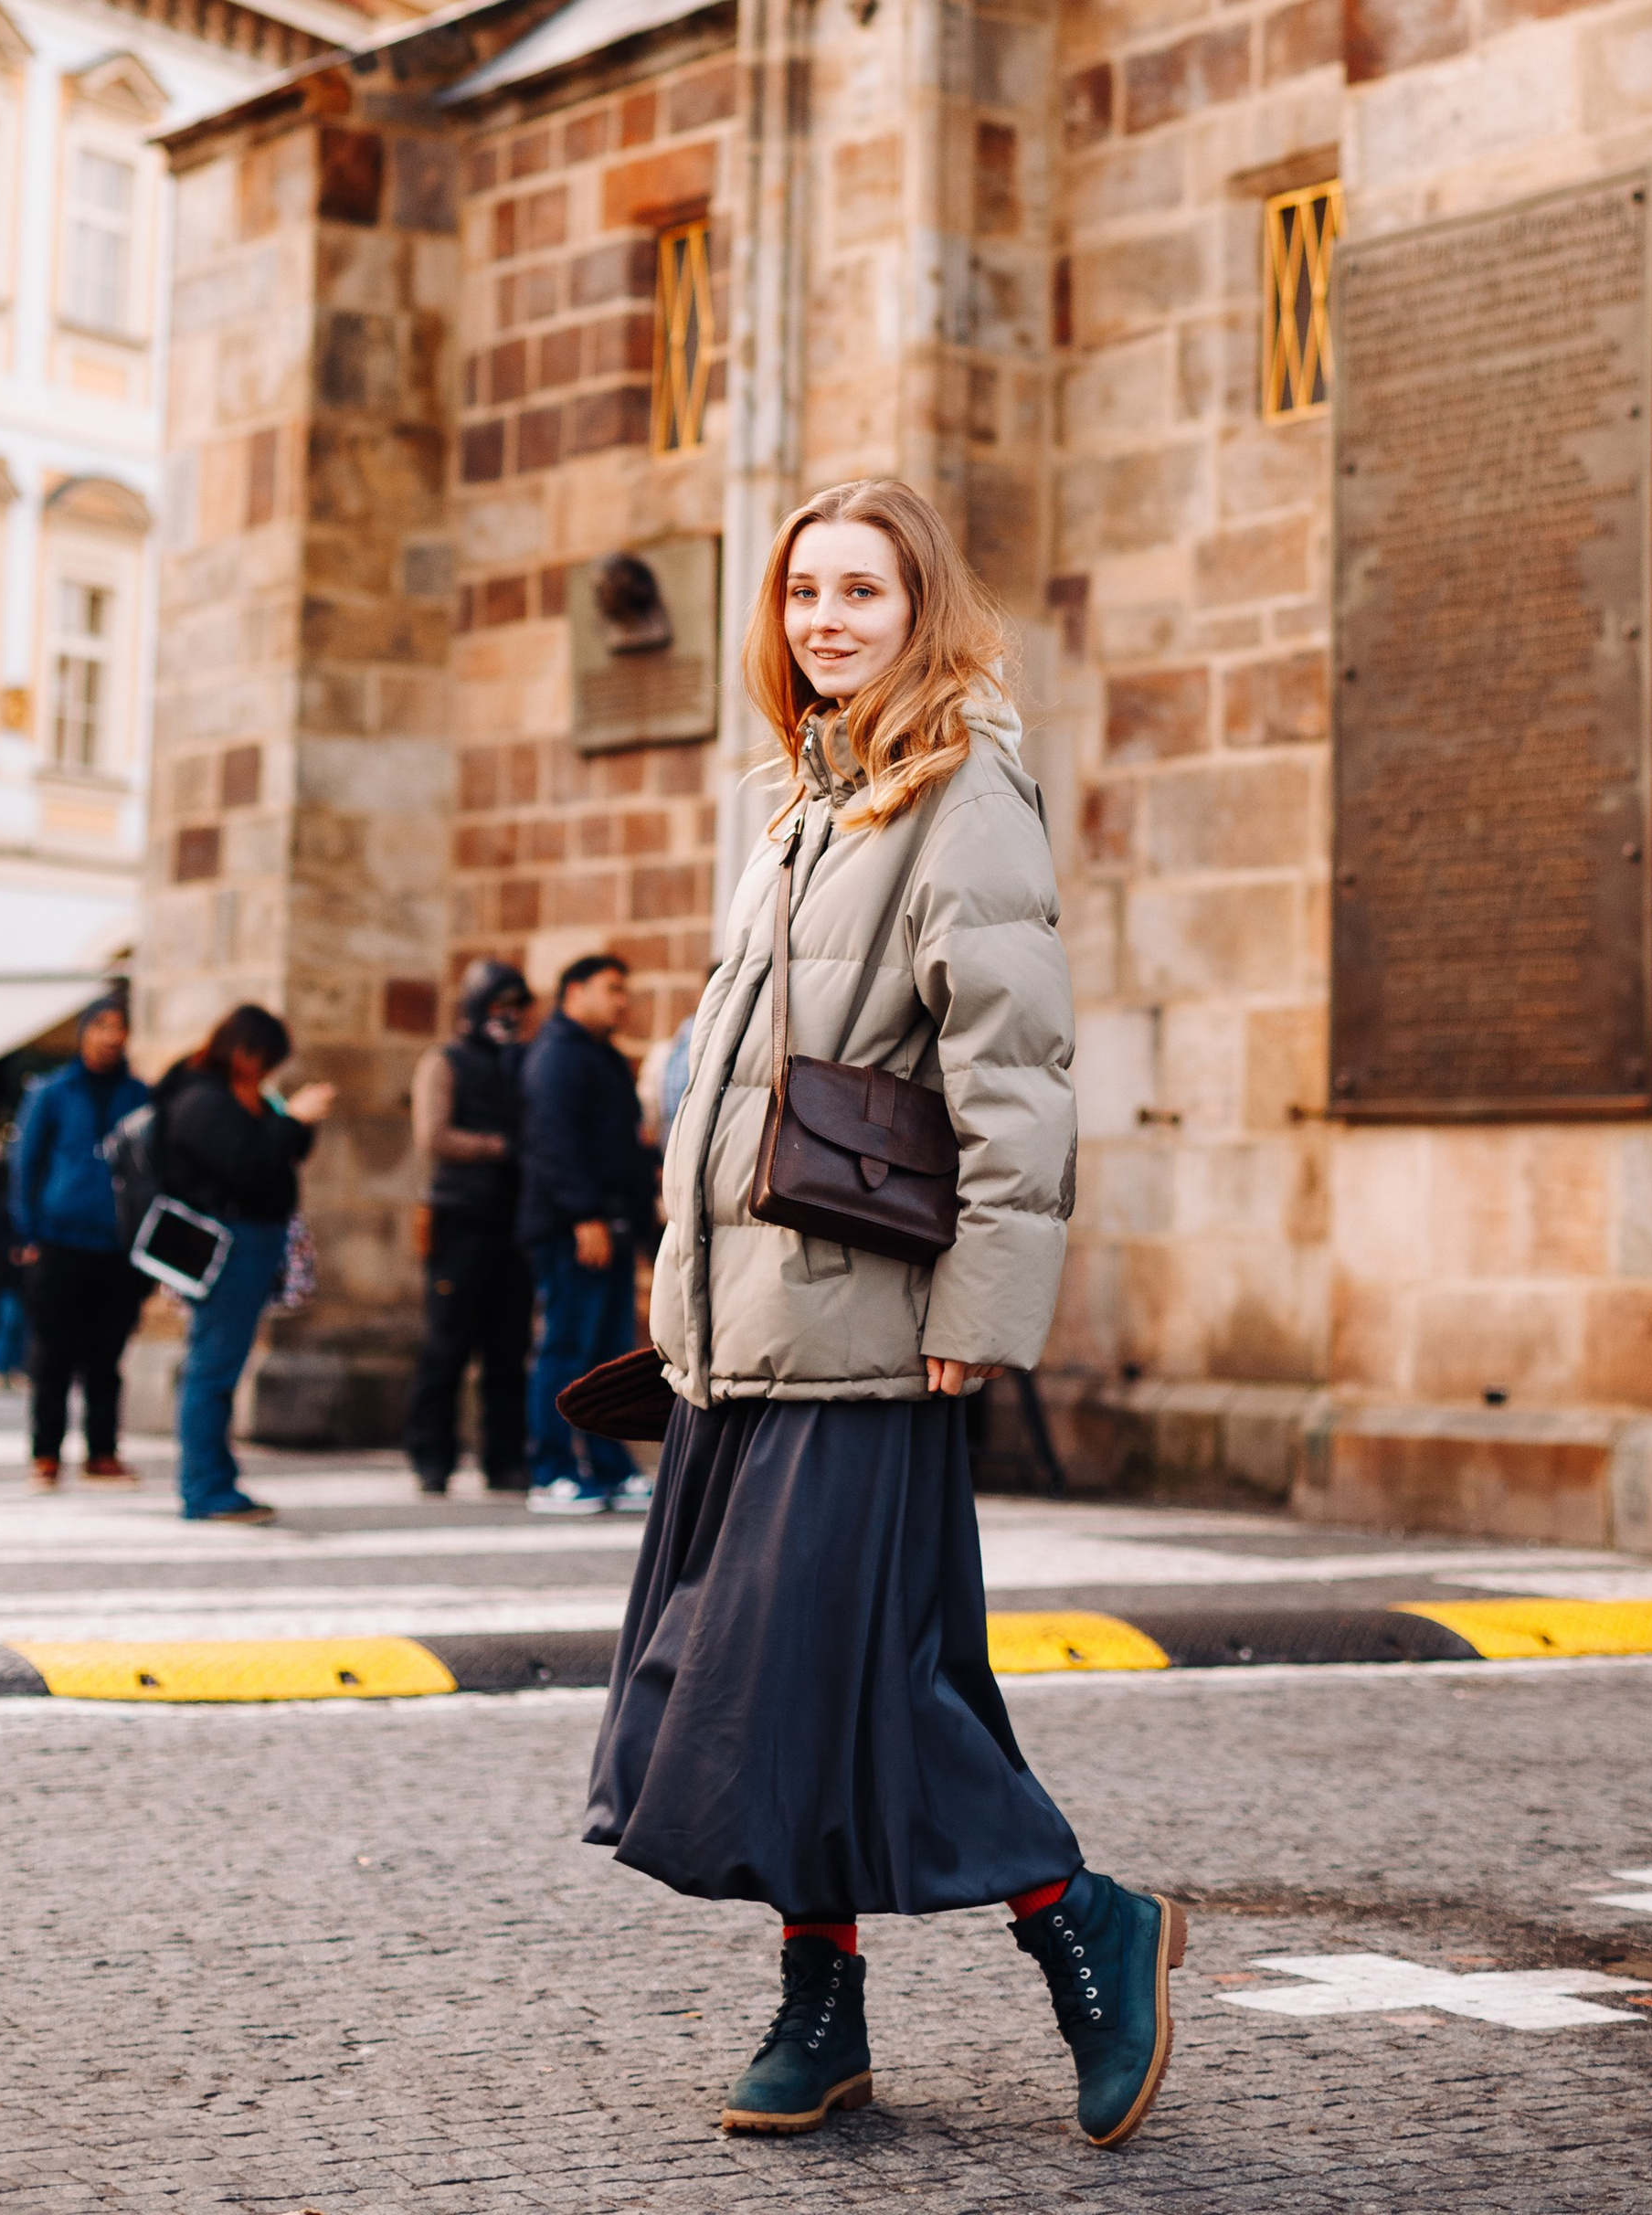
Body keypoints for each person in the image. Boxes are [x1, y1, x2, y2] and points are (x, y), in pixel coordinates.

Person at [587, 477, 1184, 2149]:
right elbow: (736, 1087)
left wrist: (988, 1302)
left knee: (838, 1680)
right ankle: (822, 2001)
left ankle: (1082, 1918)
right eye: (801, 596)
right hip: (745, 1332)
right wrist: (676, 1289)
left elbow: (1017, 1074)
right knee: (798, 1685)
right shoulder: (801, 803)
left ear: (924, 608)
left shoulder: (959, 793)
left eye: (861, 591)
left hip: (865, 1330)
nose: (826, 620)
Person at [160, 1002, 333, 1524]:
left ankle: (216, 1481)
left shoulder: (237, 1096)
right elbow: (249, 1165)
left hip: (251, 1240)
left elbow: (278, 1158)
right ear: (246, 1051)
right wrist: (292, 1120)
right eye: (268, 1059)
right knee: (212, 1369)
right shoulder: (200, 1099)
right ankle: (205, 1489)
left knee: (220, 1367)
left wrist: (298, 1125)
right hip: (227, 1244)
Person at [519, 952, 655, 1519]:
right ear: (573, 991)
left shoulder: (601, 1057)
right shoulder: (556, 1056)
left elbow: (617, 1146)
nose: (622, 1000)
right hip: (574, 1229)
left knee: (606, 1354)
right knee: (566, 1347)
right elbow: (553, 1142)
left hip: (612, 1226)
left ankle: (608, 1467)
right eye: (611, 989)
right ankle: (550, 1471)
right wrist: (585, 1217)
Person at [402, 959, 534, 1497]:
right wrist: (498, 1147)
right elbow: (433, 1135)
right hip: (461, 1218)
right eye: (499, 1006)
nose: (508, 1017)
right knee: (447, 1344)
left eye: (516, 1008)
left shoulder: (521, 1061)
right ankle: (431, 1457)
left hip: (513, 1220)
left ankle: (504, 1458)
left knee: (508, 1347)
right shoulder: (445, 1060)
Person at [10, 986, 147, 1486]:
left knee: (107, 1355)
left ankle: (102, 1451)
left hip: (118, 1244)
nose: (111, 1037)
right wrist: (28, 1230)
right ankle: (46, 1453)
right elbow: (25, 1164)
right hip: (60, 1240)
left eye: (119, 1028)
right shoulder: (51, 1092)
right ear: (84, 1033)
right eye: (102, 1026)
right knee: (53, 1353)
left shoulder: (139, 1096)